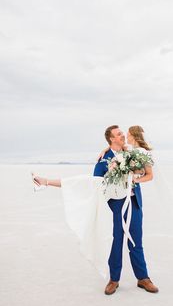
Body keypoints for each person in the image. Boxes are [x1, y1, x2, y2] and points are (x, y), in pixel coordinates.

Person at [32, 125, 159, 295]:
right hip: (115, 207)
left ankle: (143, 278)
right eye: (118, 134)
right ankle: (114, 280)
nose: (122, 135)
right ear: (111, 139)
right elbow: (93, 184)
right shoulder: (104, 160)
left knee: (136, 241)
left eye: (122, 133)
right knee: (115, 243)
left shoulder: (130, 151)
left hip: (134, 204)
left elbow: (142, 167)